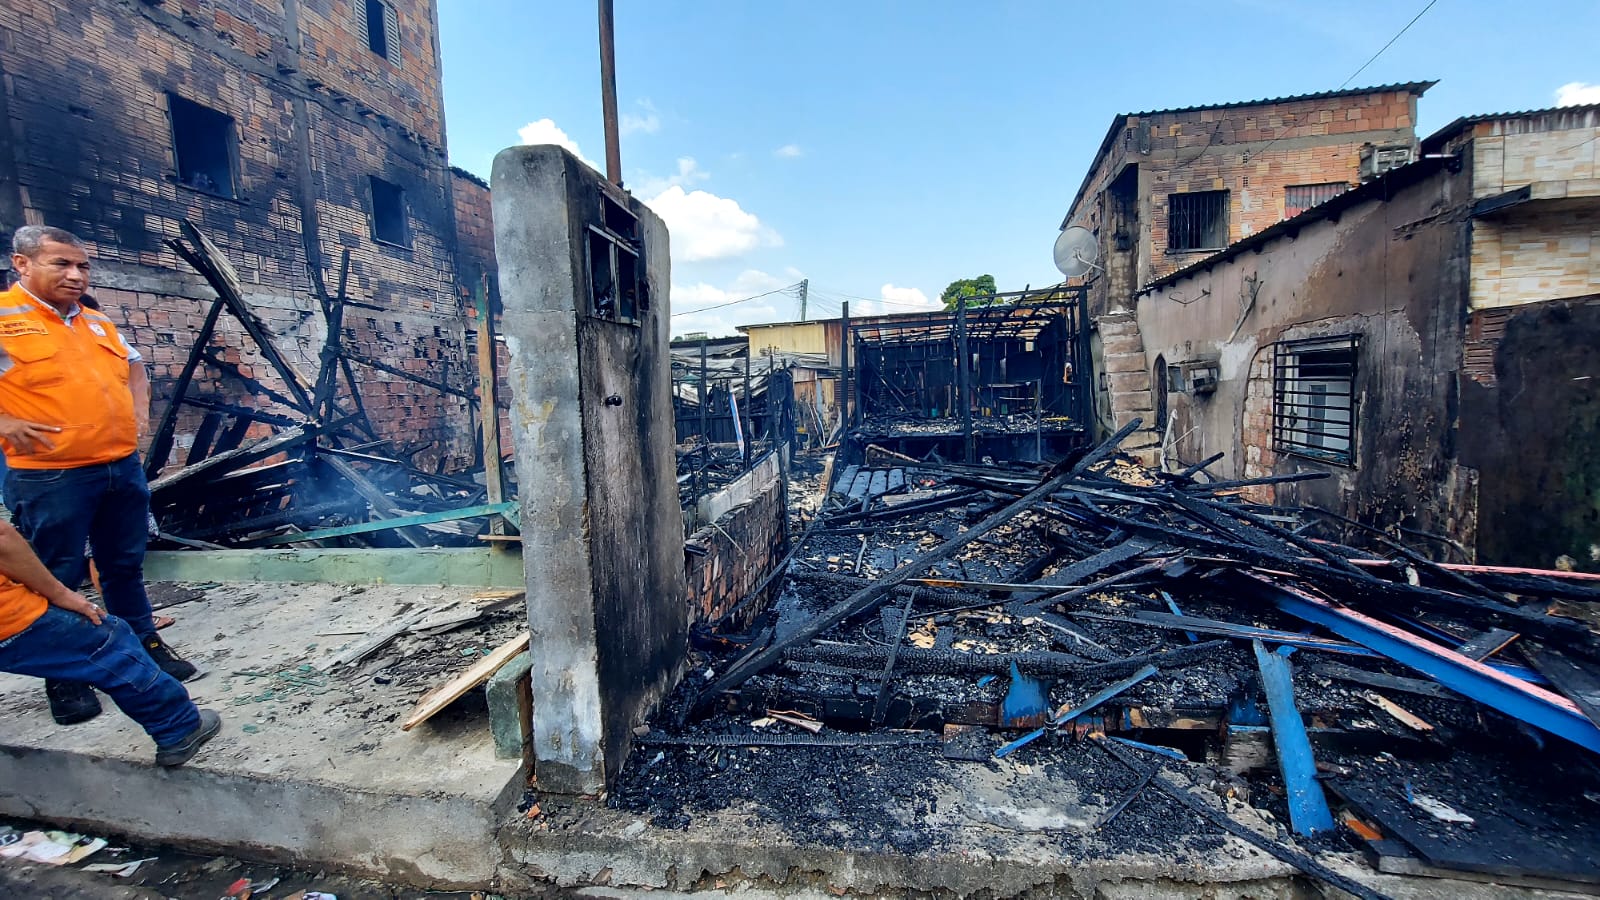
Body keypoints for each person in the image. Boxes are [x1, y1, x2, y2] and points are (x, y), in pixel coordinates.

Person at [0, 225, 195, 727]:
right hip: (50, 475)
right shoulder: (4, 320)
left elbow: (134, 368)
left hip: (118, 467)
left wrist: (138, 416)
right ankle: (67, 679)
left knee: (123, 566)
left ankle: (145, 646)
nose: (75, 274)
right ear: (21, 264)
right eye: (60, 264)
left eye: (82, 266)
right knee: (56, 572)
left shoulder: (96, 323)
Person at [0, 519, 218, 764]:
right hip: (7, 618)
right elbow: (2, 536)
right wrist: (60, 594)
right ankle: (179, 728)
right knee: (108, 642)